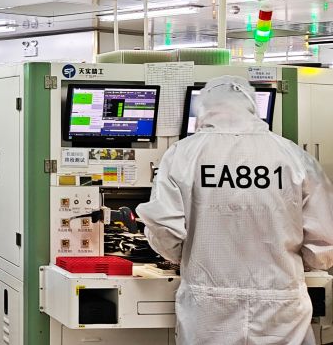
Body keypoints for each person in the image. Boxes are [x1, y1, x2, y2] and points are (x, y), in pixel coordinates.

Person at [137, 75, 333, 345]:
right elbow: (324, 242)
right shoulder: (293, 156)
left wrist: (188, 255)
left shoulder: (182, 154)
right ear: (251, 106)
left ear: (204, 109)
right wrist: (297, 265)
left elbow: (165, 231)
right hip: (280, 305)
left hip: (208, 307)